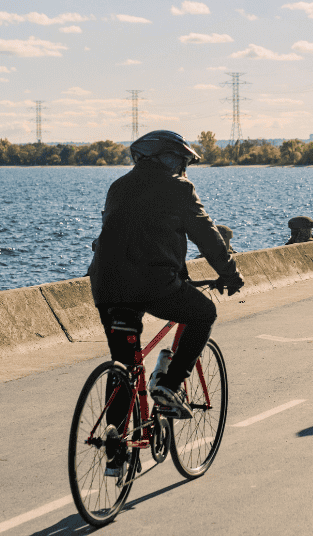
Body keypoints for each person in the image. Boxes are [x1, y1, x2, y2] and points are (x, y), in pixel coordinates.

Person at [88, 130, 244, 444]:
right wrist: (230, 273)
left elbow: (140, 237)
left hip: (106, 285)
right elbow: (207, 236)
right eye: (182, 162)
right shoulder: (179, 189)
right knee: (203, 313)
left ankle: (115, 444)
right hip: (153, 285)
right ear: (167, 158)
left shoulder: (118, 187)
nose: (183, 169)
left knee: (125, 361)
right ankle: (170, 386)